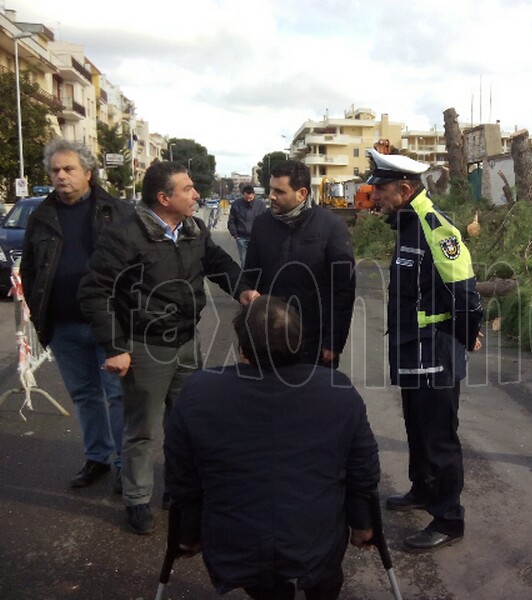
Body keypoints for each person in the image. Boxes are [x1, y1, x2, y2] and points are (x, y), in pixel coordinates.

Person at [78, 161, 258, 535]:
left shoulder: (192, 228)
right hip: (144, 346)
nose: (196, 194)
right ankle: (137, 499)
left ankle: (176, 491)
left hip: (187, 342)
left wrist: (241, 288)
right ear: (164, 198)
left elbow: (217, 262)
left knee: (184, 423)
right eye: (188, 189)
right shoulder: (126, 236)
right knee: (141, 429)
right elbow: (96, 292)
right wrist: (114, 347)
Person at [165, 295, 380, 600]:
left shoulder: (200, 391)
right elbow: (364, 470)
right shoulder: (337, 390)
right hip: (316, 539)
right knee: (324, 579)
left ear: (242, 348)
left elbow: (183, 477)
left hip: (237, 543)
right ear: (299, 342)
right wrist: (363, 523)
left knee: (268, 585)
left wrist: (188, 533)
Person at [367, 149, 483, 552]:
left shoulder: (437, 230)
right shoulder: (407, 226)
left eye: (380, 188)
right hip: (410, 350)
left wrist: (469, 335)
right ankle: (422, 489)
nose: (374, 195)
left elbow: (465, 294)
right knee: (416, 428)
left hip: (434, 353)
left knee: (439, 438)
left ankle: (448, 519)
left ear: (404, 188)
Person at [20, 140, 134, 491]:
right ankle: (97, 457)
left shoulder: (117, 211)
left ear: (88, 172)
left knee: (118, 396)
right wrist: (44, 320)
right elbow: (30, 271)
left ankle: (123, 466)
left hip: (110, 324)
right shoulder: (41, 216)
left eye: (68, 169)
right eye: (55, 170)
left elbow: (136, 267)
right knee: (85, 395)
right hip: (64, 325)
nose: (60, 176)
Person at [243, 160, 355, 368]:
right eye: (270, 189)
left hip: (314, 340)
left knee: (311, 399)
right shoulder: (262, 224)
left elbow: (342, 291)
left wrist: (333, 340)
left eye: (279, 191)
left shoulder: (332, 227)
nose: (271, 196)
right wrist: (246, 337)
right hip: (269, 339)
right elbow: (251, 277)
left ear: (302, 193)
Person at [227, 184, 266, 264]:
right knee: (244, 260)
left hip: (256, 238)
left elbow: (265, 221)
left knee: (257, 260)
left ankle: (256, 275)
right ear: (243, 195)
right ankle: (244, 276)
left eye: (250, 198)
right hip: (241, 237)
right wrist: (235, 234)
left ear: (254, 195)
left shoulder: (260, 205)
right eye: (246, 198)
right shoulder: (236, 204)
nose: (248, 200)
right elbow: (231, 220)